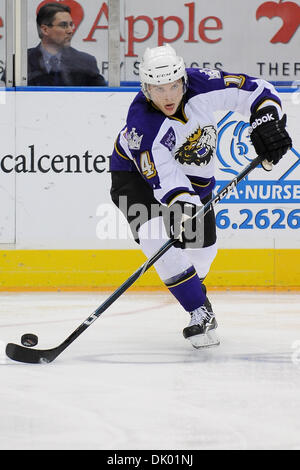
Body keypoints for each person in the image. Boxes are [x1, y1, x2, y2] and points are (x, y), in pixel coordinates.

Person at [109, 44, 292, 348]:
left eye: (173, 86)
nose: (167, 95)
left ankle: (193, 290)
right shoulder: (142, 125)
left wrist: (266, 120)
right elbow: (164, 180)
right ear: (145, 88)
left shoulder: (203, 82)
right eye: (158, 89)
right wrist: (183, 207)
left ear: (183, 79)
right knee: (156, 237)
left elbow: (256, 90)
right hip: (134, 176)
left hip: (195, 174)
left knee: (202, 254)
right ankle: (199, 311)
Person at [28, 2, 106, 87]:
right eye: (63, 25)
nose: (70, 31)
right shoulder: (20, 62)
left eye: (71, 25)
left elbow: (103, 97)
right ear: (45, 30)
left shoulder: (86, 62)